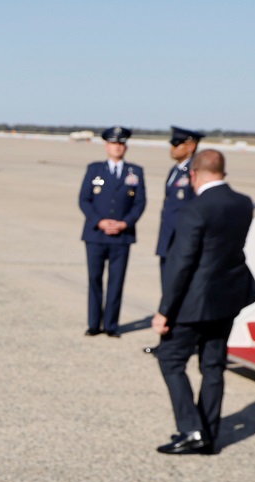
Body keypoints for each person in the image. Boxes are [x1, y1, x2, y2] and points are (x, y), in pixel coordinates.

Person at [151, 149, 255, 455]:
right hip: (227, 298)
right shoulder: (242, 202)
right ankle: (209, 435)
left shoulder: (194, 209)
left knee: (170, 359)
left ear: (194, 174)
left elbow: (181, 264)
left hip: (194, 303)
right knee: (213, 366)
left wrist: (164, 311)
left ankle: (191, 430)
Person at [77, 126, 147, 337]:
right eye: (113, 143)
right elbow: (84, 199)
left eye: (121, 144)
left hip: (121, 236)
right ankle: (93, 323)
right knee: (94, 279)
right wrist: (99, 221)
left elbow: (140, 202)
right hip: (96, 235)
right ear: (106, 145)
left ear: (125, 147)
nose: (117, 147)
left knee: (116, 281)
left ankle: (111, 325)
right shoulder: (95, 170)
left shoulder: (135, 172)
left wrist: (125, 223)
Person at [144, 125, 204, 354]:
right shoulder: (175, 170)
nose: (172, 147)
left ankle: (177, 344)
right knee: (168, 293)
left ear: (190, 146)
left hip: (182, 245)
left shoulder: (195, 171)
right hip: (168, 243)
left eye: (176, 144)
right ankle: (168, 342)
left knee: (179, 293)